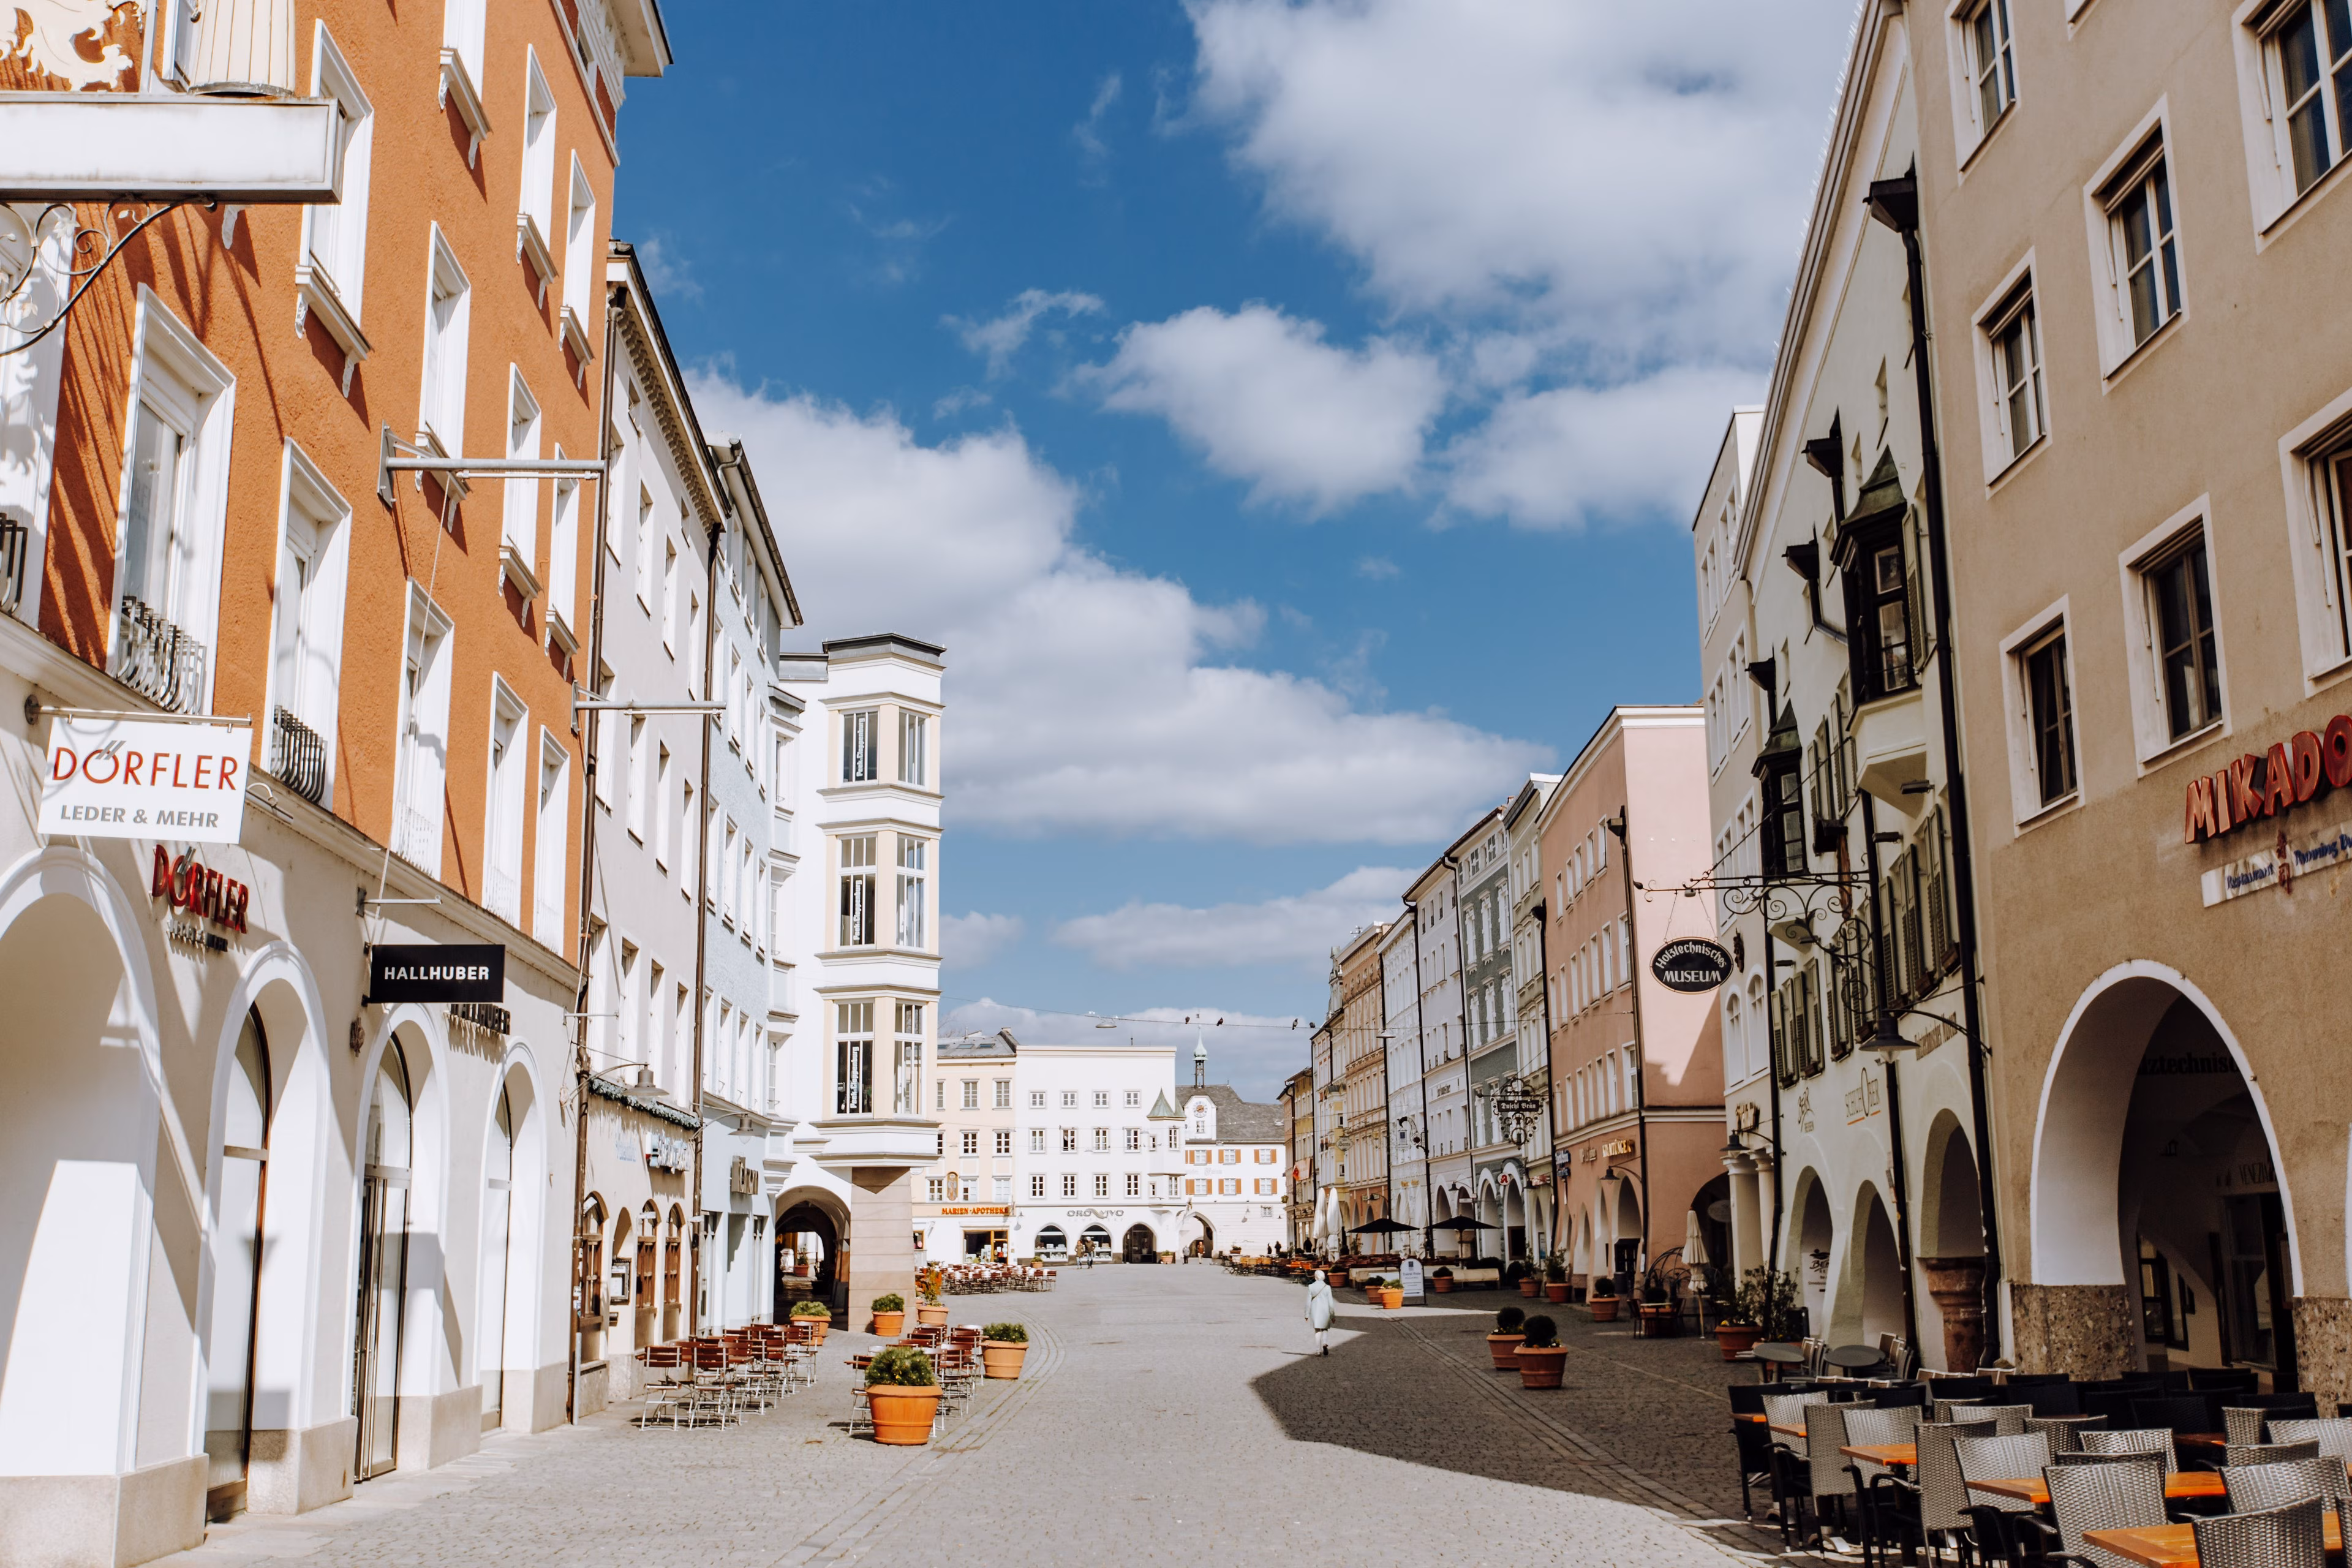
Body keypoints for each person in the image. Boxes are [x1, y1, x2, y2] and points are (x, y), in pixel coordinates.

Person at [1305, 1268, 1335, 1355]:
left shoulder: (1311, 1287)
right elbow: (1331, 1303)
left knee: (1317, 1331)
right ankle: (1325, 1343)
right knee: (1325, 1329)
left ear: (1315, 1277)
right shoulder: (1327, 1287)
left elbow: (1308, 1302)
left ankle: (1318, 1351)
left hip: (1315, 1311)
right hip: (1325, 1311)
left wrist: (1306, 1314)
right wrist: (1333, 1316)